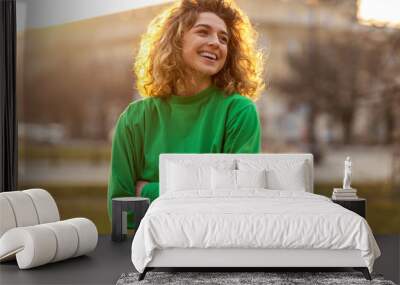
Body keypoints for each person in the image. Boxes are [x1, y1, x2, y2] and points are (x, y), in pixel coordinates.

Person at [107, 0, 265, 229]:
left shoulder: (239, 111)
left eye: (224, 39)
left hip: (217, 251)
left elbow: (235, 200)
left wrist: (149, 191)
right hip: (152, 253)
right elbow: (122, 214)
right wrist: (206, 188)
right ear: (176, 40)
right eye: (203, 32)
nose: (215, 43)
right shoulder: (135, 118)